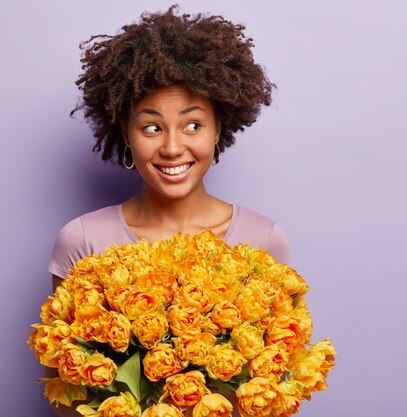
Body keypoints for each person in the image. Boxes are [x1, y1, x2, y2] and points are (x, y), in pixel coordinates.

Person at [45, 6, 289, 417]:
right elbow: (69, 396)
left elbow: (274, 390)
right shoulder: (83, 240)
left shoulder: (263, 240)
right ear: (126, 133)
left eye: (193, 125)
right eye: (152, 127)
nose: (173, 147)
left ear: (218, 129)